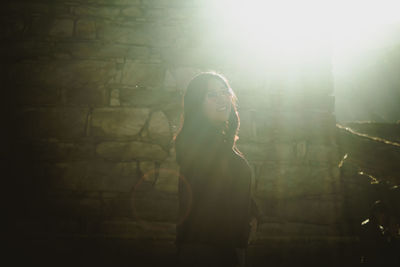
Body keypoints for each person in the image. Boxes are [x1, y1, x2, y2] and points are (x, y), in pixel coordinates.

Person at [173, 72, 260, 267]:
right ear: (198, 104)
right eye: (212, 95)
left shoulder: (220, 142)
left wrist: (252, 214)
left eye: (224, 92)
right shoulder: (201, 145)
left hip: (227, 245)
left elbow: (228, 187)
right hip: (210, 250)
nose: (222, 99)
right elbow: (208, 206)